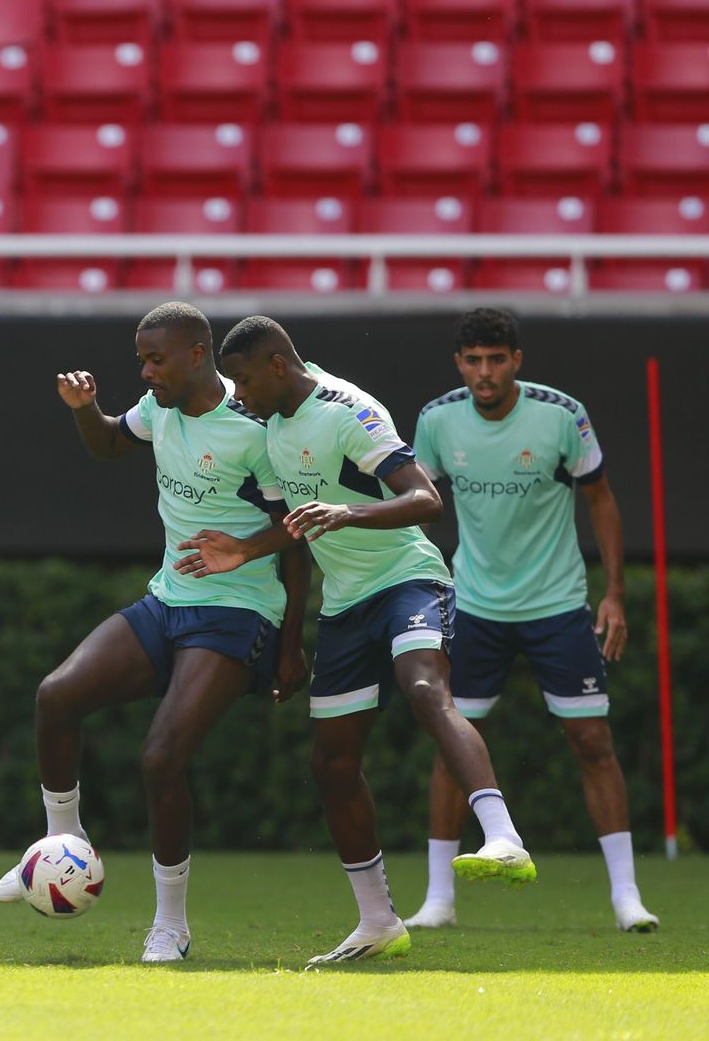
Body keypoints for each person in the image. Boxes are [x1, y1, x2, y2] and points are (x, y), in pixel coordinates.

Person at [174, 316, 536, 966]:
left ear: (279, 365)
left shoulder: (347, 410)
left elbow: (425, 500)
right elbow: (300, 524)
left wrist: (349, 514)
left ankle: (502, 835)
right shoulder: (274, 427)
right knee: (332, 765)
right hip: (343, 605)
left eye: (247, 379)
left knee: (425, 686)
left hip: (406, 580)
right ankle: (377, 921)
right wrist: (252, 562)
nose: (240, 392)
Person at [0, 302, 310, 964]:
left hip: (238, 613)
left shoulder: (254, 429)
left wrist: (290, 643)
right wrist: (84, 407)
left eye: (155, 358)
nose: (145, 370)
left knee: (162, 758)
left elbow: (299, 531)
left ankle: (171, 925)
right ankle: (61, 849)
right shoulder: (157, 407)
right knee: (57, 695)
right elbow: (109, 443)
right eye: (141, 358)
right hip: (168, 602)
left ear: (198, 354)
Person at [404, 308, 657, 933]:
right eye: (473, 361)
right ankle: (438, 899)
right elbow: (417, 515)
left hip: (558, 605)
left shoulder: (560, 415)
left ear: (517, 360)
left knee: (593, 743)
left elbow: (601, 498)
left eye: (497, 359)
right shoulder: (436, 421)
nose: (484, 373)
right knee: (451, 743)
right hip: (474, 606)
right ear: (459, 364)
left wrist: (615, 593)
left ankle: (627, 898)